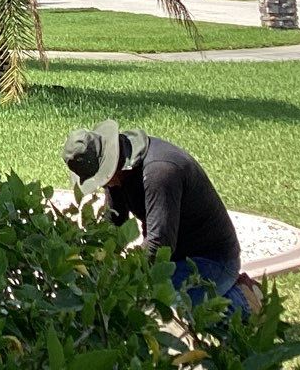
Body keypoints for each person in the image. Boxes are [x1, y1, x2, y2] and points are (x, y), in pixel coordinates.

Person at [63, 120, 245, 310]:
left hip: (212, 260)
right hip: (174, 257)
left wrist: (124, 273)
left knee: (147, 308)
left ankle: (239, 304)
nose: (102, 184)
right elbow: (114, 222)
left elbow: (159, 245)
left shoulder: (161, 172)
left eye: (101, 178)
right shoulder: (119, 169)